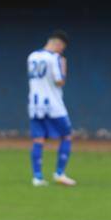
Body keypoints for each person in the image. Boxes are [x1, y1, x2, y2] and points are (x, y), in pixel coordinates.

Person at [27, 30, 76, 186]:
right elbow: (59, 81)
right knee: (67, 135)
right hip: (53, 105)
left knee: (38, 139)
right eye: (62, 48)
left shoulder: (32, 56)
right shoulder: (54, 58)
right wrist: (64, 66)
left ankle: (37, 177)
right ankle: (59, 173)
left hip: (35, 104)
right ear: (58, 44)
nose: (61, 51)